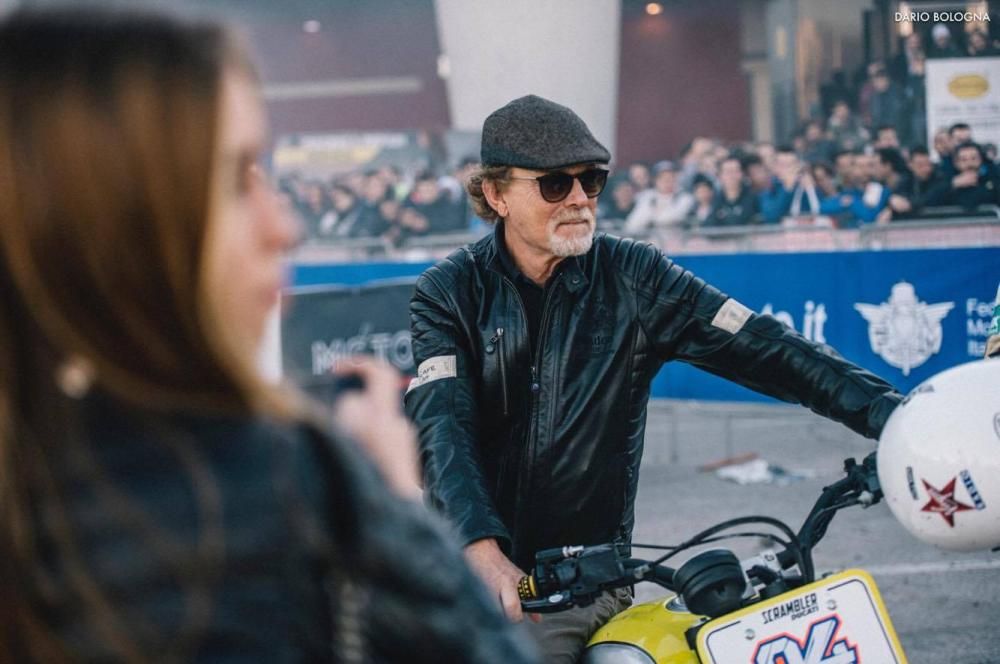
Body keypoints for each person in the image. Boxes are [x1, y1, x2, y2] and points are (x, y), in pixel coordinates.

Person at [0, 9, 536, 663]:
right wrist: (392, 507)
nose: (283, 227)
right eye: (234, 181)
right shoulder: (276, 487)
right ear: (105, 219)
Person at [403, 94, 903, 662]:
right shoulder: (448, 291)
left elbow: (766, 347)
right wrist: (479, 547)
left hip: (595, 580)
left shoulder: (634, 275)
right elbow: (443, 427)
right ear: (496, 194)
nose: (579, 199)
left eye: (591, 180)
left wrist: (899, 418)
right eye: (554, 185)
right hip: (492, 584)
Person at [623, 160, 694, 232]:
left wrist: (651, 217)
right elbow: (633, 223)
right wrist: (652, 216)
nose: (667, 181)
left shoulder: (684, 197)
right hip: (650, 237)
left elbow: (671, 218)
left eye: (671, 177)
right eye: (662, 178)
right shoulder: (647, 196)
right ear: (655, 180)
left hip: (675, 236)